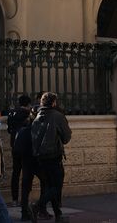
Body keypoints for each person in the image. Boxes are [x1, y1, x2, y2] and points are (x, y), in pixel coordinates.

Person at [30, 92, 71, 222]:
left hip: (40, 157)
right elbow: (66, 137)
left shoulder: (37, 116)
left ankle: (58, 214)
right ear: (53, 103)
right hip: (54, 156)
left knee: (50, 186)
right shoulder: (57, 116)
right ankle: (37, 206)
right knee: (56, 186)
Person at [11, 104, 37, 220]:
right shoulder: (35, 126)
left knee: (18, 177)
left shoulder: (14, 116)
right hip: (32, 157)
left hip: (19, 152)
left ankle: (18, 203)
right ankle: (39, 207)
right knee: (47, 182)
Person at [6, 94, 33, 205]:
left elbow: (9, 129)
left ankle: (14, 199)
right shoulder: (29, 114)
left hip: (15, 146)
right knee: (27, 174)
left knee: (16, 173)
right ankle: (25, 199)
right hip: (26, 147)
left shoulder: (12, 113)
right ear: (28, 104)